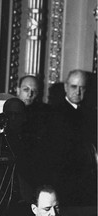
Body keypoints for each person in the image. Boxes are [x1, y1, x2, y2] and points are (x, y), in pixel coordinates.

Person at [49, 69, 97, 205]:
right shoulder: (54, 113)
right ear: (66, 87)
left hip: (87, 178)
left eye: (82, 88)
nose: (78, 92)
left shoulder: (91, 113)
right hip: (64, 178)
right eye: (74, 87)